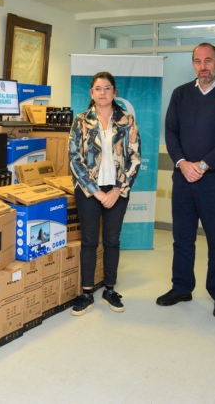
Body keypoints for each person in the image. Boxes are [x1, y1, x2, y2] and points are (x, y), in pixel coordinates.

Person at [158, 43, 215, 319]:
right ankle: (181, 287)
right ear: (193, 64)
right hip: (183, 179)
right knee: (182, 238)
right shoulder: (180, 94)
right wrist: (182, 163)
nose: (203, 66)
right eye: (198, 61)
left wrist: (204, 165)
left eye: (208, 60)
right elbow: (171, 132)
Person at [68, 71, 141, 316]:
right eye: (98, 88)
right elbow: (74, 159)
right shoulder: (81, 121)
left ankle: (110, 290)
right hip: (89, 191)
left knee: (112, 240)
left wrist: (118, 190)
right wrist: (97, 193)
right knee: (89, 241)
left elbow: (134, 158)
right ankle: (87, 293)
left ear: (114, 92)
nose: (103, 92)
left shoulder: (127, 120)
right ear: (91, 93)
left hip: (117, 190)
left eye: (107, 88)